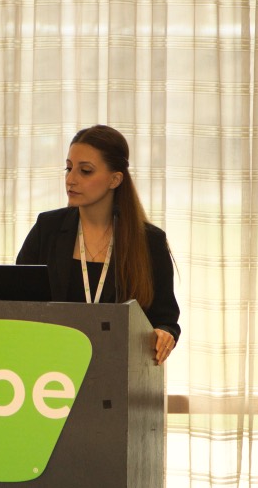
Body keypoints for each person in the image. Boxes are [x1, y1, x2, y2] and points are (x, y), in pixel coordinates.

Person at [16, 124, 180, 365]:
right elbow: (17, 299)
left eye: (85, 171)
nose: (70, 179)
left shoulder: (149, 242)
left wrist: (164, 333)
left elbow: (165, 318)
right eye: (69, 168)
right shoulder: (47, 228)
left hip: (118, 366)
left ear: (115, 179)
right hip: (50, 367)